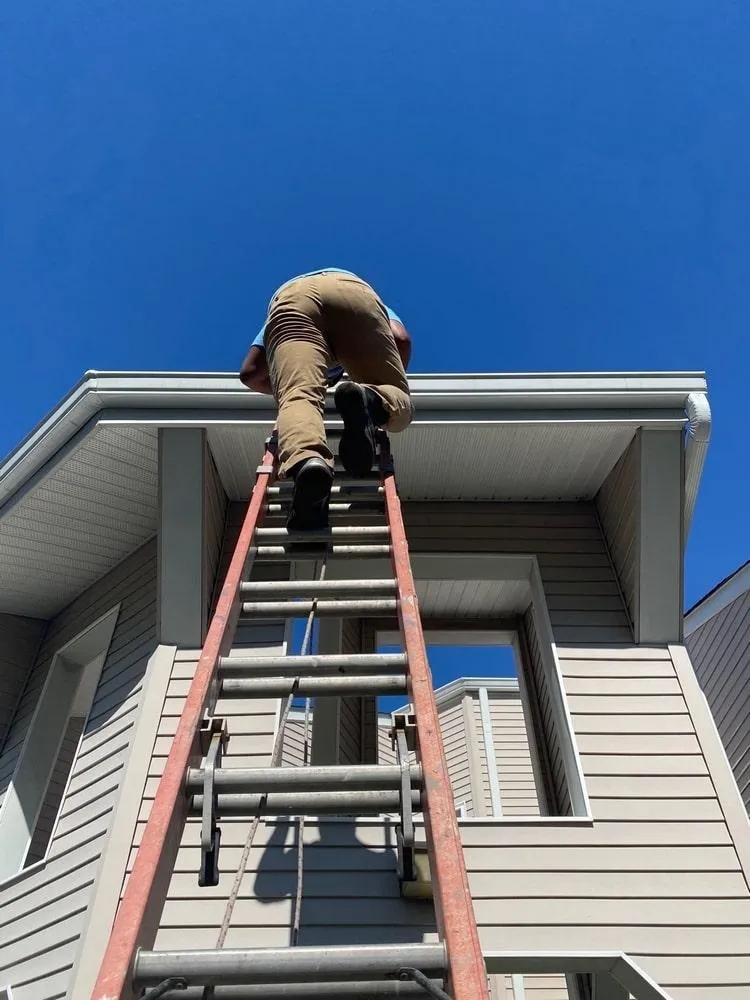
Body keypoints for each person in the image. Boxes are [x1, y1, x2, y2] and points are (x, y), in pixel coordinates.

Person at [240, 268, 413, 530]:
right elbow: (400, 337)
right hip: (353, 290)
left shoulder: (294, 297)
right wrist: (382, 381)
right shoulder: (376, 304)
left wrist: (299, 386)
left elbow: (251, 373)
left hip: (292, 296)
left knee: (298, 396)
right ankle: (372, 399)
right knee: (395, 399)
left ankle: (309, 462)